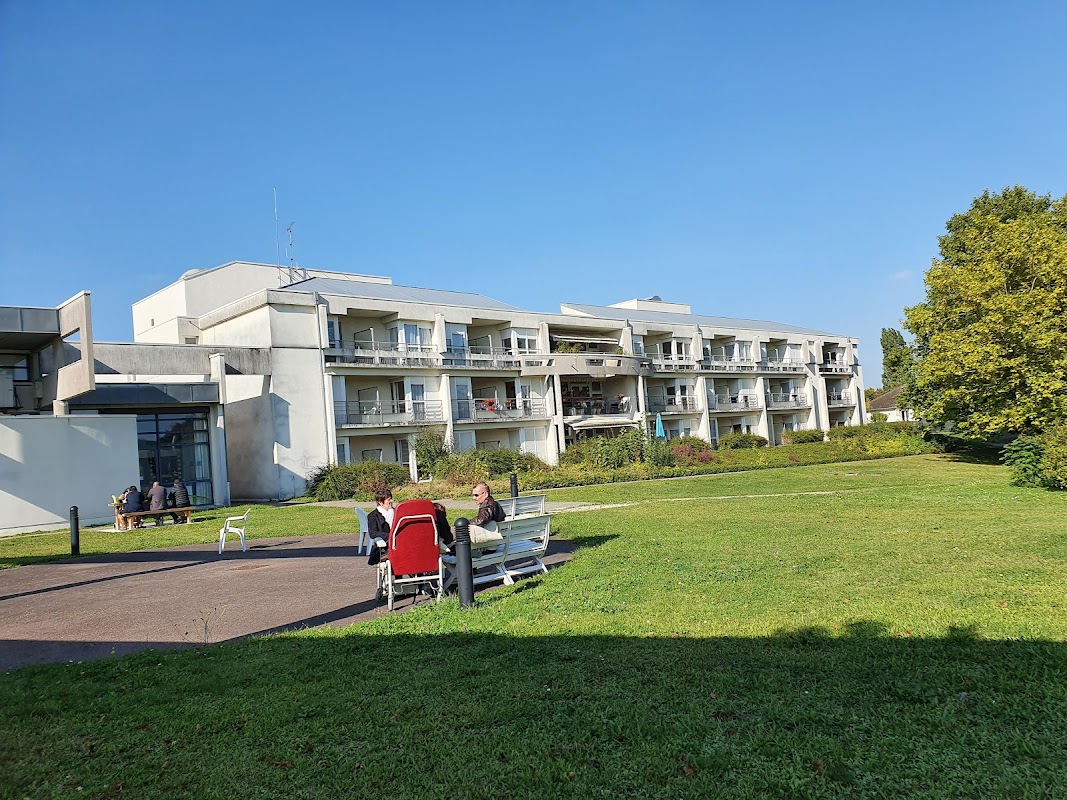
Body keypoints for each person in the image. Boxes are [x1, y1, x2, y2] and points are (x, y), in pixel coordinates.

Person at [469, 482, 505, 549]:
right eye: (473, 495)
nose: (473, 498)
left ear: (485, 494)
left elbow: (481, 520)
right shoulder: (492, 503)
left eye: (476, 495)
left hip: (489, 545)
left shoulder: (488, 506)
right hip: (493, 543)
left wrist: (465, 523)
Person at [366, 489, 394, 565]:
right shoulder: (373, 516)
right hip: (384, 547)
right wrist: (391, 536)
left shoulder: (397, 512)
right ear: (380, 502)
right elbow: (373, 533)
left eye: (391, 499)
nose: (391, 501)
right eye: (388, 500)